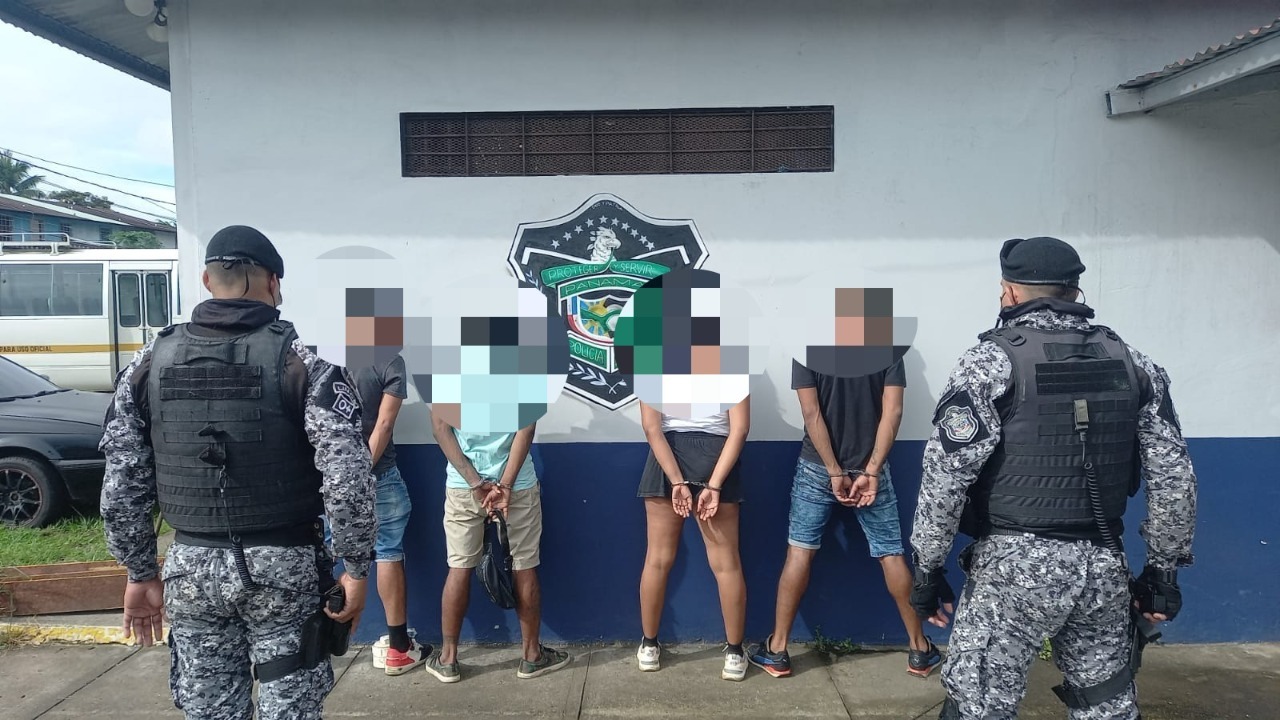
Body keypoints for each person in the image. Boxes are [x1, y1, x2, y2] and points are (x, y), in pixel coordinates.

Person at [909, 237, 1197, 720]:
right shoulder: (1133, 362)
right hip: (1102, 568)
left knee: (979, 705)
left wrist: (927, 569)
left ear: (1010, 292)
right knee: (1105, 705)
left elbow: (945, 477)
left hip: (1011, 573)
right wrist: (1163, 572)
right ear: (1073, 291)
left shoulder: (991, 362)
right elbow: (1174, 476)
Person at [100, 225, 377, 720]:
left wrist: (139, 570)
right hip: (283, 568)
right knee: (289, 707)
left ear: (207, 281)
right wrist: (355, 568)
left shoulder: (149, 363)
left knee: (210, 709)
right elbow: (347, 476)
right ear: (273, 282)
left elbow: (121, 481)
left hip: (191, 565)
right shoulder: (303, 365)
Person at [747, 358, 943, 678]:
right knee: (891, 554)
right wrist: (872, 470)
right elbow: (893, 411)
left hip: (817, 468)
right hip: (871, 468)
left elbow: (811, 413)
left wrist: (834, 471)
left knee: (800, 551)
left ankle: (778, 650)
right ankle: (920, 649)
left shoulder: (807, 349)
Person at [423, 410, 572, 682]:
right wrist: (505, 485)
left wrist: (475, 482)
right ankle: (532, 657)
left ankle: (448, 659)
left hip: (463, 488)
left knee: (459, 567)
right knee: (524, 566)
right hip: (518, 486)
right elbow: (526, 429)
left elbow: (440, 429)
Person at [635, 398, 751, 681]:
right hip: (717, 458)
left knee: (657, 560)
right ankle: (735, 655)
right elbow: (740, 429)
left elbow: (651, 428)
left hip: (666, 456)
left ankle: (649, 648)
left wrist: (676, 480)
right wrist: (715, 484)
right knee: (727, 565)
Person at [349, 347, 428, 675]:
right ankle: (398, 649)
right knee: (388, 553)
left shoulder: (320, 358)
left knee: (337, 555)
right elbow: (382, 425)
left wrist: (343, 479)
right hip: (379, 476)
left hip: (328, 479)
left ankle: (326, 642)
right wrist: (360, 475)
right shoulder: (389, 361)